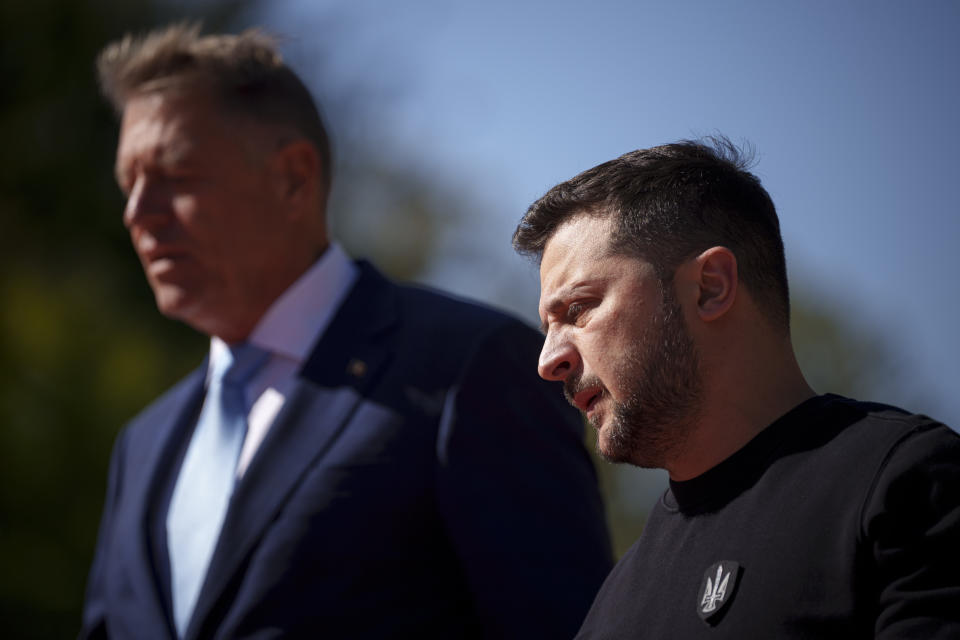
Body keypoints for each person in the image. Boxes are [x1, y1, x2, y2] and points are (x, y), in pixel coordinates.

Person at [82, 23, 613, 639]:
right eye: (129, 184)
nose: (137, 213)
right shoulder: (142, 447)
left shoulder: (466, 369)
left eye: (174, 174)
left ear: (294, 177)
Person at [513, 136, 960, 638]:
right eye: (546, 330)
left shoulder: (905, 483)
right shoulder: (610, 606)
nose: (549, 361)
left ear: (711, 286)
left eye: (578, 310)